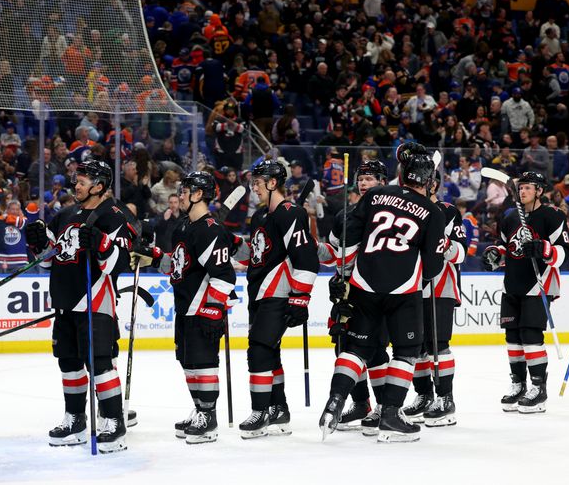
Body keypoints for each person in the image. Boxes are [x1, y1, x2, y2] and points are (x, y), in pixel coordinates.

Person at [319, 144, 445, 443]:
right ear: (429, 181)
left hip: (363, 285)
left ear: (401, 175)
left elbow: (349, 238)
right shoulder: (433, 212)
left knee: (355, 349)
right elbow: (432, 267)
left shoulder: (375, 196)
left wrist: (345, 275)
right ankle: (389, 414)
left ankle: (335, 401)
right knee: (405, 352)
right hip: (403, 291)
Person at [25, 159, 132, 453]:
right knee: (69, 363)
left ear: (98, 186)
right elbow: (48, 261)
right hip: (64, 300)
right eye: (77, 179)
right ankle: (75, 418)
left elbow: (117, 264)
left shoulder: (114, 215)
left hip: (95, 300)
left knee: (98, 363)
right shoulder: (64, 215)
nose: (76, 184)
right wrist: (37, 245)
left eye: (83, 180)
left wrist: (99, 242)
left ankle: (113, 420)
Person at [131, 172, 235, 444]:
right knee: (187, 362)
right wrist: (154, 257)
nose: (181, 195)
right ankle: (200, 409)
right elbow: (178, 265)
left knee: (203, 363)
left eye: (186, 191)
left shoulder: (211, 230)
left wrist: (214, 309)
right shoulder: (183, 227)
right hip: (183, 306)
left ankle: (209, 418)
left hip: (202, 307)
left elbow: (224, 276)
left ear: (200, 194)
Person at [238, 159, 318, 439]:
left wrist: (300, 299)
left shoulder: (291, 213)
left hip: (278, 292)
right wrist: (233, 244)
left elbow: (306, 259)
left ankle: (260, 412)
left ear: (273, 183)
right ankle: (278, 409)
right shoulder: (261, 216)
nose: (254, 189)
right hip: (258, 292)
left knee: (258, 349)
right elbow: (257, 255)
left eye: (258, 183)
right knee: (269, 350)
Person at [482, 172, 569, 413]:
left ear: (539, 191)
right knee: (512, 337)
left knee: (531, 336)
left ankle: (538, 388)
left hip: (538, 284)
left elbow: (564, 254)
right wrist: (495, 253)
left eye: (528, 188)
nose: (522, 192)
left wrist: (544, 249)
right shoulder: (510, 216)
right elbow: (504, 245)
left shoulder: (552, 216)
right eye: (521, 188)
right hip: (512, 283)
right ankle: (518, 385)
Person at [318, 160, 390, 434]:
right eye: (361, 178)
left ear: (382, 182)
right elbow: (334, 254)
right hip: (348, 293)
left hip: (378, 291)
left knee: (375, 350)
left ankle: (384, 406)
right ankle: (362, 404)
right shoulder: (344, 216)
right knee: (343, 345)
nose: (363, 183)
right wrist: (311, 247)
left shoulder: (390, 217)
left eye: (370, 178)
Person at [403, 172, 468, 427]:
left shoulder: (448, 211)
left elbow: (461, 252)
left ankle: (445, 399)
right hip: (412, 286)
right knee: (416, 346)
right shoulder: (410, 210)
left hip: (440, 287)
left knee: (437, 344)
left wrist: (444, 243)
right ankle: (423, 396)